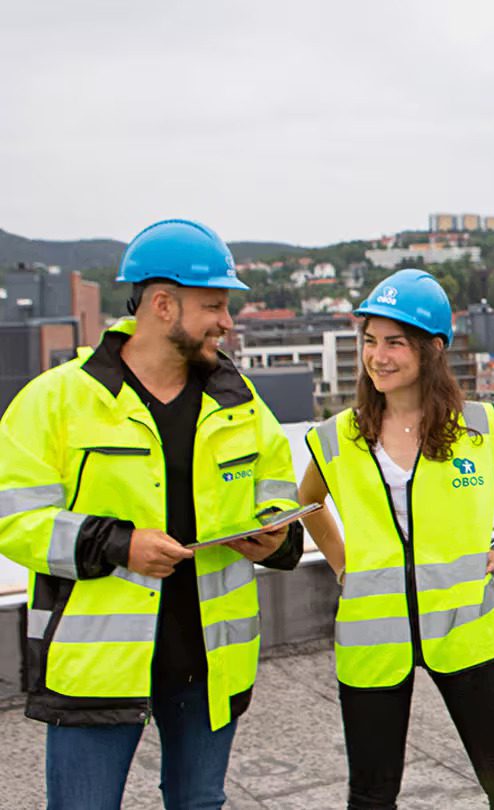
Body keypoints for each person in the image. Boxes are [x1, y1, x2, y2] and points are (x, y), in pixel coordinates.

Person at [0, 218, 303, 809]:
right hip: (97, 665)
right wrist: (121, 544)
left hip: (210, 660)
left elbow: (278, 497)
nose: (227, 321)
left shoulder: (239, 401)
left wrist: (275, 536)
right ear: (163, 305)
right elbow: (14, 519)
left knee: (199, 802)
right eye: (214, 305)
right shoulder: (57, 400)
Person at [298, 268, 494, 810]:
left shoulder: (478, 426)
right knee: (371, 795)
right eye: (370, 341)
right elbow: (308, 503)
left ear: (432, 348)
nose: (377, 356)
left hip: (466, 629)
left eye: (394, 342)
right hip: (372, 638)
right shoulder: (337, 436)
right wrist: (341, 564)